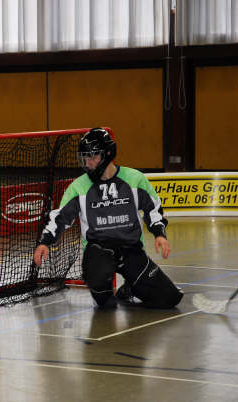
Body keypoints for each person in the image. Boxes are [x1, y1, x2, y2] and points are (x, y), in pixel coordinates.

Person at [33, 128, 183, 309]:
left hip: (131, 249)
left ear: (108, 154)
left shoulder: (134, 179)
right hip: (98, 250)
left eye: (92, 157)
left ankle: (130, 289)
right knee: (105, 301)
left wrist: (160, 234)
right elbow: (60, 218)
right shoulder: (78, 187)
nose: (88, 163)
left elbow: (153, 209)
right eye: (84, 158)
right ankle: (102, 294)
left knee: (169, 298)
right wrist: (44, 242)